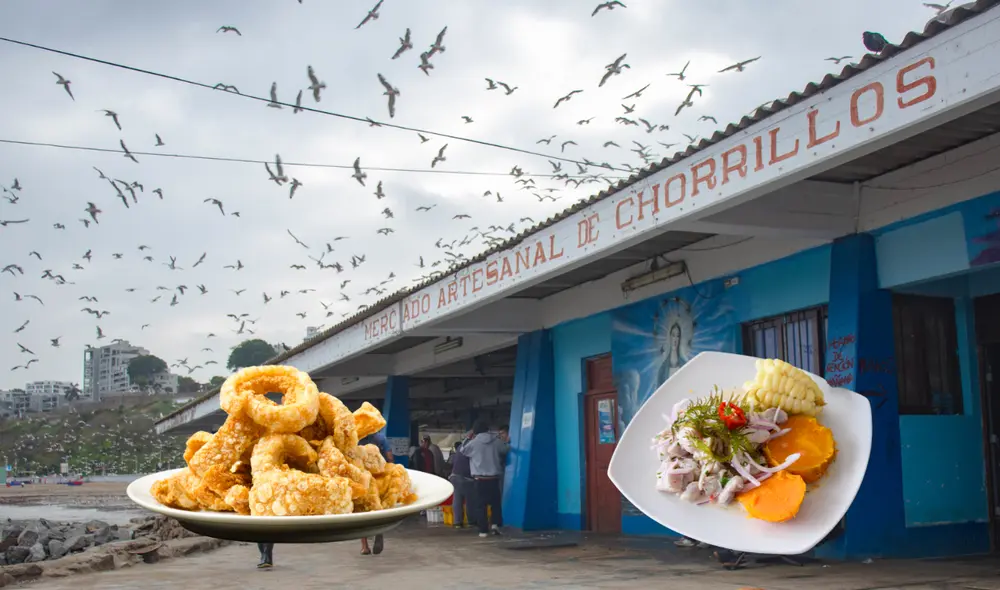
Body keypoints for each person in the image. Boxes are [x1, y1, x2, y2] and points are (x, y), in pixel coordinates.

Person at [460, 422, 509, 538]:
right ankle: (495, 525)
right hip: (494, 479)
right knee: (496, 504)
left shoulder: (473, 443)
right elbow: (506, 449)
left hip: (480, 480)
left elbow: (462, 450)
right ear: (488, 429)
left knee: (480, 506)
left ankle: (483, 530)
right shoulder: (497, 441)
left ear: (475, 432)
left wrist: (468, 437)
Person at [359, 429, 393, 556]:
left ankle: (364, 547)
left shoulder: (356, 438)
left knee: (361, 510)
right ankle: (379, 533)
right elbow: (390, 457)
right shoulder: (380, 438)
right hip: (378, 478)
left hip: (361, 479)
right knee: (378, 508)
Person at [448, 440, 474, 529]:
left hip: (454, 476)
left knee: (457, 499)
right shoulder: (473, 447)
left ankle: (457, 522)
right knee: (470, 500)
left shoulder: (460, 447)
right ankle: (471, 521)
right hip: (467, 478)